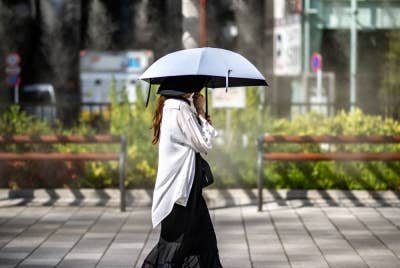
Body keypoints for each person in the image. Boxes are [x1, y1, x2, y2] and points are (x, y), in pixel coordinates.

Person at [142, 79, 223, 267]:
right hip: (181, 193)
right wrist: (201, 112)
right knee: (175, 246)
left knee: (203, 240)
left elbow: (200, 138)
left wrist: (200, 117)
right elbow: (204, 144)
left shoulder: (175, 106)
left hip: (188, 190)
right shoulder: (179, 108)